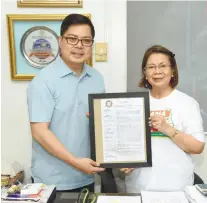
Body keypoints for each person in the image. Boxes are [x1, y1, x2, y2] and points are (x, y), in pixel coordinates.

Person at [27, 14, 106, 192]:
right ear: (60, 40)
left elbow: (102, 123)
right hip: (51, 181)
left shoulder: (97, 79)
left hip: (86, 175)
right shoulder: (43, 80)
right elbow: (39, 131)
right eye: (72, 39)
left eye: (86, 40)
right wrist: (74, 162)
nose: (79, 45)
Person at [122, 45, 205, 192]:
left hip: (176, 188)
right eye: (151, 67)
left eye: (163, 66)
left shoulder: (187, 103)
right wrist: (128, 160)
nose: (157, 71)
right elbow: (127, 142)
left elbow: (197, 147)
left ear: (173, 70)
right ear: (145, 72)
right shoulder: (133, 103)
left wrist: (167, 128)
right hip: (139, 187)